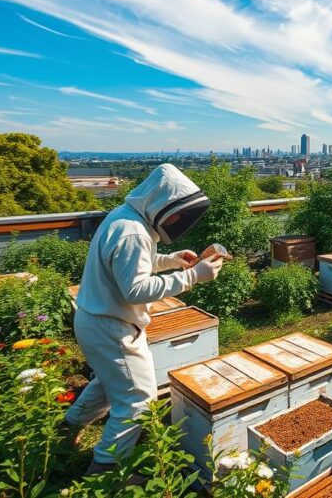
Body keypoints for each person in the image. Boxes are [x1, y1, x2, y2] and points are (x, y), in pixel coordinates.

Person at [64, 164, 225, 475]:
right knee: (138, 400)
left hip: (96, 320)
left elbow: (130, 264)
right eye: (177, 214)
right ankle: (104, 472)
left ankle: (65, 430)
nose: (178, 221)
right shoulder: (133, 231)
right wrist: (192, 276)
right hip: (112, 327)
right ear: (161, 204)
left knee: (108, 384)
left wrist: (171, 260)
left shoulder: (125, 219)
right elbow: (136, 288)